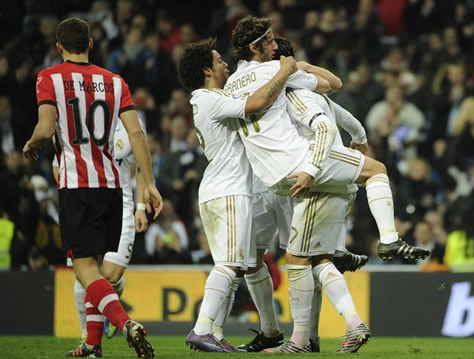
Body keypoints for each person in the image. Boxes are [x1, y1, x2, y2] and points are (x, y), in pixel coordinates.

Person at [227, 17, 430, 352]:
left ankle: (303, 339)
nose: (276, 47)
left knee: (302, 259)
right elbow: (333, 87)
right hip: (308, 167)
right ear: (258, 47)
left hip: (273, 178)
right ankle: (387, 241)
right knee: (376, 171)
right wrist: (296, 68)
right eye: (271, 42)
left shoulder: (234, 83)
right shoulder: (287, 83)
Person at [23, 18, 162, 358]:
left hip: (78, 185)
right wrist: (150, 184)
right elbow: (137, 134)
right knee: (97, 269)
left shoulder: (49, 77)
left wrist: (30, 144)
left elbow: (44, 128)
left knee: (85, 271)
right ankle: (93, 344)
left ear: (59, 47)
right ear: (90, 43)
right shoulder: (115, 81)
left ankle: (126, 323)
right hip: (112, 187)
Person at [177, 37, 305, 353]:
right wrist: (284, 70)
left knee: (239, 266)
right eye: (219, 60)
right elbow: (258, 103)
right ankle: (202, 328)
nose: (225, 64)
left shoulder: (211, 99)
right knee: (229, 265)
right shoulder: (209, 99)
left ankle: (217, 332)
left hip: (221, 189)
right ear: (207, 70)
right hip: (229, 190)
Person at [55, 118, 149, 345]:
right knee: (84, 273)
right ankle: (86, 336)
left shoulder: (131, 124)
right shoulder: (79, 119)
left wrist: (140, 207)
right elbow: (57, 164)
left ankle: (110, 297)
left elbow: (141, 167)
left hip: (122, 205)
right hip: (87, 204)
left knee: (111, 275)